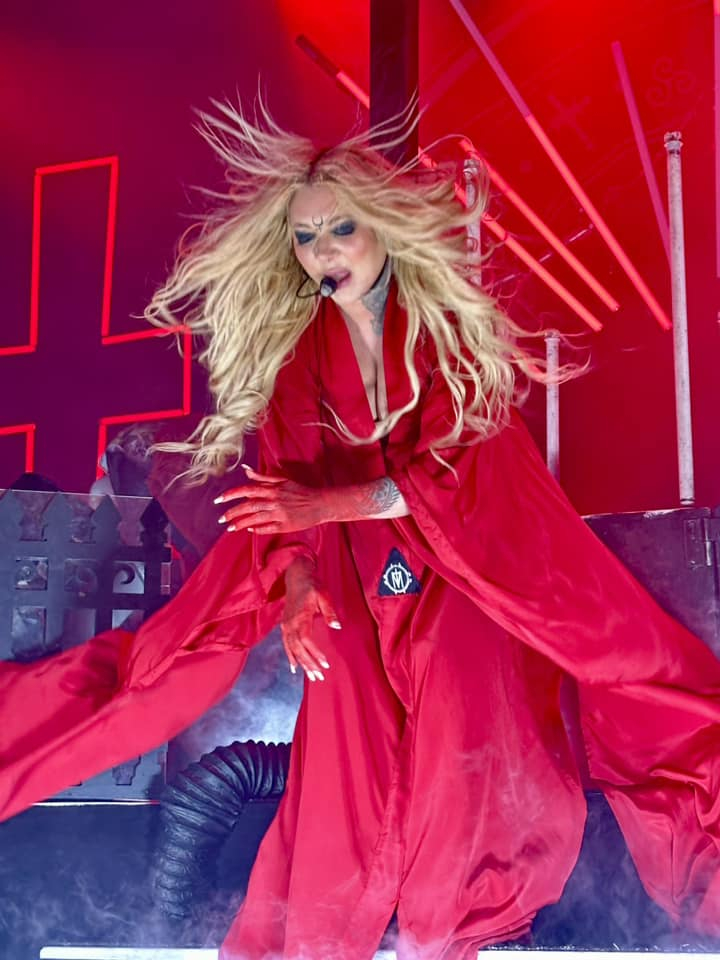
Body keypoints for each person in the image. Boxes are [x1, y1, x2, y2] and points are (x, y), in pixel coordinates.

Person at [1, 103, 720, 960]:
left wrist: (318, 510)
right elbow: (287, 489)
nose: (324, 252)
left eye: (341, 229)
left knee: (468, 750)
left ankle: (458, 933)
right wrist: (298, 589)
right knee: (338, 761)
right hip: (354, 573)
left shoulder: (444, 332)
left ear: (383, 228)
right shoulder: (300, 356)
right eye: (307, 237)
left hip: (465, 573)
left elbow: (457, 481)